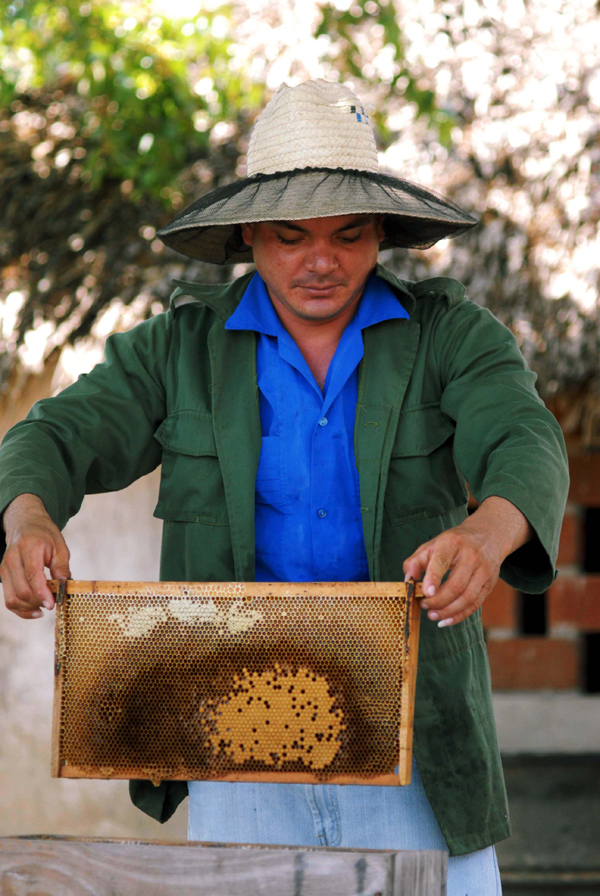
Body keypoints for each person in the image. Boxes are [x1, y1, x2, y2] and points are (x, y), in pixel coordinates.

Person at [0, 80, 568, 895]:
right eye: (291, 236)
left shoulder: (451, 336)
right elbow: (51, 436)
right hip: (231, 731)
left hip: (415, 732)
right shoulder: (178, 350)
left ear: (380, 235)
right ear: (249, 237)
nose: (321, 261)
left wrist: (488, 533)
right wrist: (26, 520)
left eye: (348, 235)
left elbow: (526, 436)